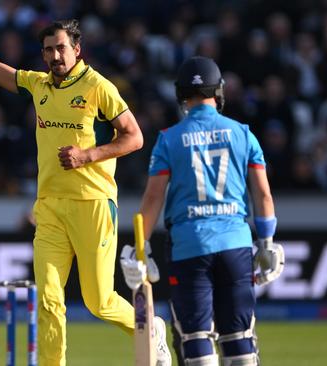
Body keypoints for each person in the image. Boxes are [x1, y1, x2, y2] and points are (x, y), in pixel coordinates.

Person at [0, 2, 171, 365]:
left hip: (94, 203)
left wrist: (88, 156)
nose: (55, 56)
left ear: (76, 50)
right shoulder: (37, 85)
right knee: (48, 299)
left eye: (61, 48)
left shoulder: (98, 87)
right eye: (49, 50)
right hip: (51, 208)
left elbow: (134, 137)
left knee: (99, 300)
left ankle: (150, 326)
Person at [121, 57, 284, 366]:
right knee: (240, 341)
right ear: (219, 90)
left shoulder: (169, 139)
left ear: (181, 94)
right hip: (235, 245)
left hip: (189, 246)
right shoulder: (243, 133)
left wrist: (140, 248)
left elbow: (153, 198)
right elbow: (263, 193)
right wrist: (267, 242)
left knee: (196, 340)